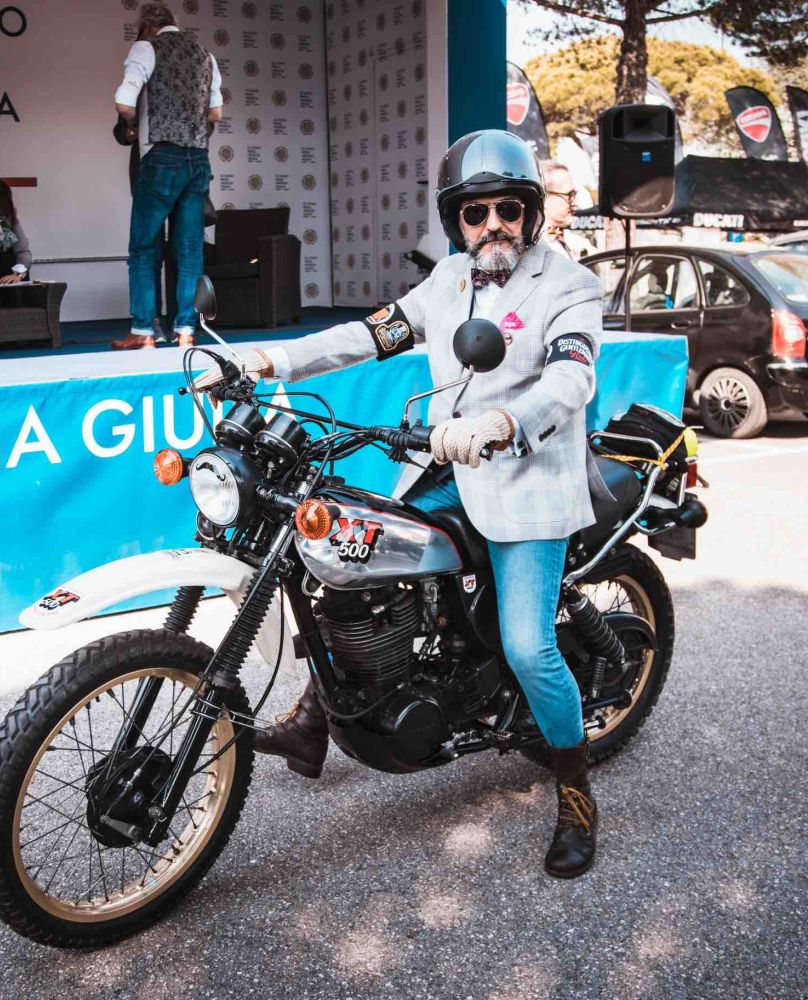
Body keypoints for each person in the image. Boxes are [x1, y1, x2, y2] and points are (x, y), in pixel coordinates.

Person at [196, 130, 609, 880]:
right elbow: (366, 336)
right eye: (476, 212)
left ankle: (575, 794)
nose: (493, 225)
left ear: (530, 211)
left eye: (509, 209)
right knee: (349, 562)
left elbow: (570, 379)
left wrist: (502, 422)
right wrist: (264, 359)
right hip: (448, 467)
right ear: (456, 220)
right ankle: (315, 723)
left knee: (527, 645)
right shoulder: (447, 281)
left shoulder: (568, 286)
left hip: (527, 479)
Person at [111, 3, 223, 351]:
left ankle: (144, 330)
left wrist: (134, 122)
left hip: (160, 157)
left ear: (147, 27)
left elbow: (124, 103)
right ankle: (186, 330)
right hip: (197, 158)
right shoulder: (206, 55)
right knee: (189, 249)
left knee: (144, 247)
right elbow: (215, 113)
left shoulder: (146, 48)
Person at [540, 160, 593, 261]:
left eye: (574, 194)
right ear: (544, 198)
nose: (575, 203)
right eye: (569, 195)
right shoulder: (529, 246)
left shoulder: (579, 243)